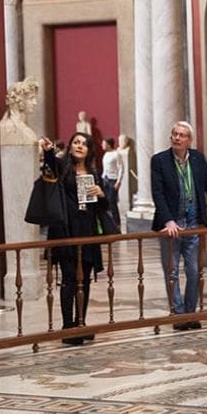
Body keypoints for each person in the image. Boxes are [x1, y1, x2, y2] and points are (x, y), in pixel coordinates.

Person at [151, 121, 207, 330]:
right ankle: (178, 315)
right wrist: (168, 220)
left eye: (182, 135)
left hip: (193, 224)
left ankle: (190, 313)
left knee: (194, 270)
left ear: (189, 140)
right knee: (171, 272)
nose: (177, 138)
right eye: (174, 134)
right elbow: (158, 193)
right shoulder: (159, 160)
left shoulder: (197, 159)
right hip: (171, 225)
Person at [40, 131, 107, 343]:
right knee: (69, 280)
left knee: (84, 280)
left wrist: (101, 194)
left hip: (87, 231)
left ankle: (80, 323)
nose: (79, 146)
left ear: (89, 150)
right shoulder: (63, 168)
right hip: (66, 231)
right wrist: (49, 151)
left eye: (84, 144)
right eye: (76, 142)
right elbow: (50, 164)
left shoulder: (94, 174)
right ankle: (68, 326)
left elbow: (102, 208)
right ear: (70, 146)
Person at [101, 137, 123, 230]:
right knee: (106, 201)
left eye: (104, 143)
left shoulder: (116, 154)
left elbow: (121, 167)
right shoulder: (106, 154)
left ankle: (117, 222)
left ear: (109, 145)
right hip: (105, 180)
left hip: (112, 179)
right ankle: (109, 222)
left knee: (112, 201)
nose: (102, 145)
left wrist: (118, 181)